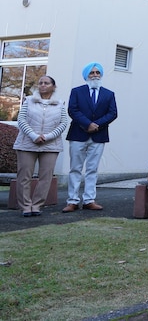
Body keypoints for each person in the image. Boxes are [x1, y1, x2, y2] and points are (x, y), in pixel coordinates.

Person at [62, 62, 118, 212]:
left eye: (97, 73)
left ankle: (89, 200)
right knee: (75, 169)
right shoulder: (77, 91)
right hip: (78, 134)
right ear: (86, 75)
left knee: (92, 169)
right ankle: (72, 201)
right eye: (92, 73)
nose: (95, 75)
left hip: (98, 136)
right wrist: (87, 124)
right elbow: (73, 110)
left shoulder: (109, 94)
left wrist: (96, 125)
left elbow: (112, 113)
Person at [13, 75, 68, 217]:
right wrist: (34, 136)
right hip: (27, 144)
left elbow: (63, 123)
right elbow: (21, 119)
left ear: (53, 86)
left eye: (46, 83)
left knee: (46, 176)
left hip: (51, 145)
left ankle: (36, 205)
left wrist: (47, 137)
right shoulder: (29, 101)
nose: (43, 85)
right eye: (40, 83)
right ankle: (25, 206)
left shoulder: (60, 103)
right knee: (24, 175)